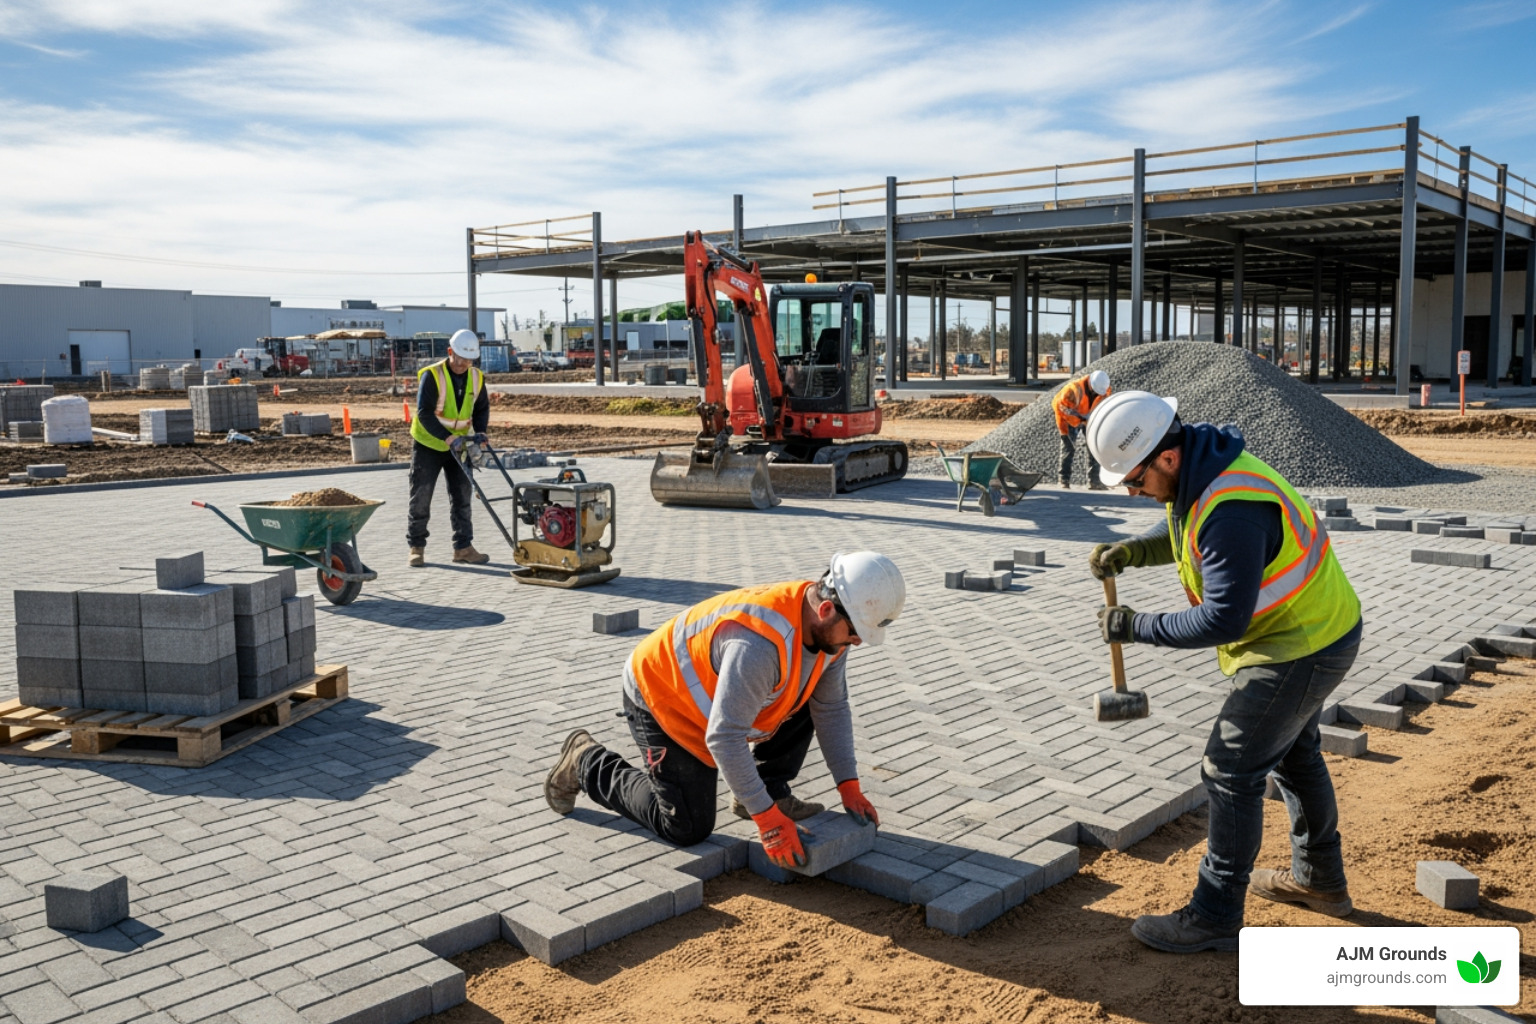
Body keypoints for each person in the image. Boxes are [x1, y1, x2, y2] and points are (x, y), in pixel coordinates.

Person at [1084, 391, 1363, 954]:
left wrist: (1134, 626)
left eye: (1134, 480)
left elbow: (1221, 619)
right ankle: (1320, 881)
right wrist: (1133, 553)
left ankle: (1213, 914)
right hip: (1319, 629)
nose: (1133, 492)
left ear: (1166, 457)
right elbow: (1190, 534)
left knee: (1230, 770)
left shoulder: (1231, 507)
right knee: (1295, 754)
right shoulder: (1201, 472)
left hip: (1297, 647)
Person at [543, 552, 904, 868]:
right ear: (826, 609)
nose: (856, 642)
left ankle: (767, 790)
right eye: (855, 632)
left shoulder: (829, 634)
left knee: (809, 696)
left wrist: (849, 786)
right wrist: (769, 822)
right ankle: (587, 761)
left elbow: (831, 708)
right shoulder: (761, 644)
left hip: (724, 701)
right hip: (664, 696)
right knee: (686, 827)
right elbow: (725, 737)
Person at [407, 329, 491, 567]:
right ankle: (416, 547)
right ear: (450, 352)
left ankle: (463, 548)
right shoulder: (433, 376)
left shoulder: (476, 377)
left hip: (459, 444)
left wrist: (481, 431)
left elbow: (481, 407)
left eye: (469, 359)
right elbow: (424, 412)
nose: (463, 364)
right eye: (460, 358)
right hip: (429, 444)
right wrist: (447, 437)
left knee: (462, 497)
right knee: (421, 497)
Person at [1052, 369, 1111, 490]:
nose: (1096, 394)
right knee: (1069, 448)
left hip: (1088, 420)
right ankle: (1063, 480)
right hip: (1068, 420)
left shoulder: (1104, 389)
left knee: (1094, 448)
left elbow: (1105, 405)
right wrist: (1079, 417)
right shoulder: (1072, 390)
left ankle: (1094, 481)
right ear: (1090, 383)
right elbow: (1061, 407)